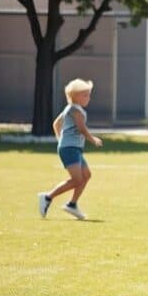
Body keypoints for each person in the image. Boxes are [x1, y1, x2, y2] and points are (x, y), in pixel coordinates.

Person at [37, 78, 103, 220]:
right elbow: (82, 129)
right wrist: (93, 140)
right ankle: (47, 197)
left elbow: (56, 124)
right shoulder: (74, 110)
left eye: (89, 94)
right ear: (75, 96)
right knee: (77, 179)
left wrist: (60, 140)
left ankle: (72, 205)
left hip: (73, 148)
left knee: (86, 176)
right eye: (85, 95)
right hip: (70, 149)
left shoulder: (71, 109)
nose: (88, 98)